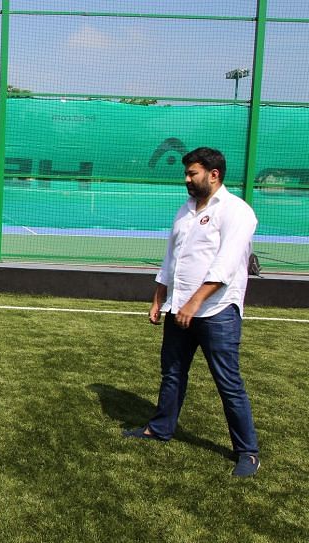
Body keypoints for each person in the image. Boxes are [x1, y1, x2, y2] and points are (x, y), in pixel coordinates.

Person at [123, 147, 260, 477]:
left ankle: (248, 452)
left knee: (228, 383)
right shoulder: (185, 211)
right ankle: (160, 428)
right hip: (178, 308)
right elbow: (172, 259)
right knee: (171, 373)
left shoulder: (237, 212)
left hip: (217, 312)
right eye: (186, 173)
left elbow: (225, 264)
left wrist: (195, 303)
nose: (186, 179)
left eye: (192, 173)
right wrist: (160, 298)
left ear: (214, 175)